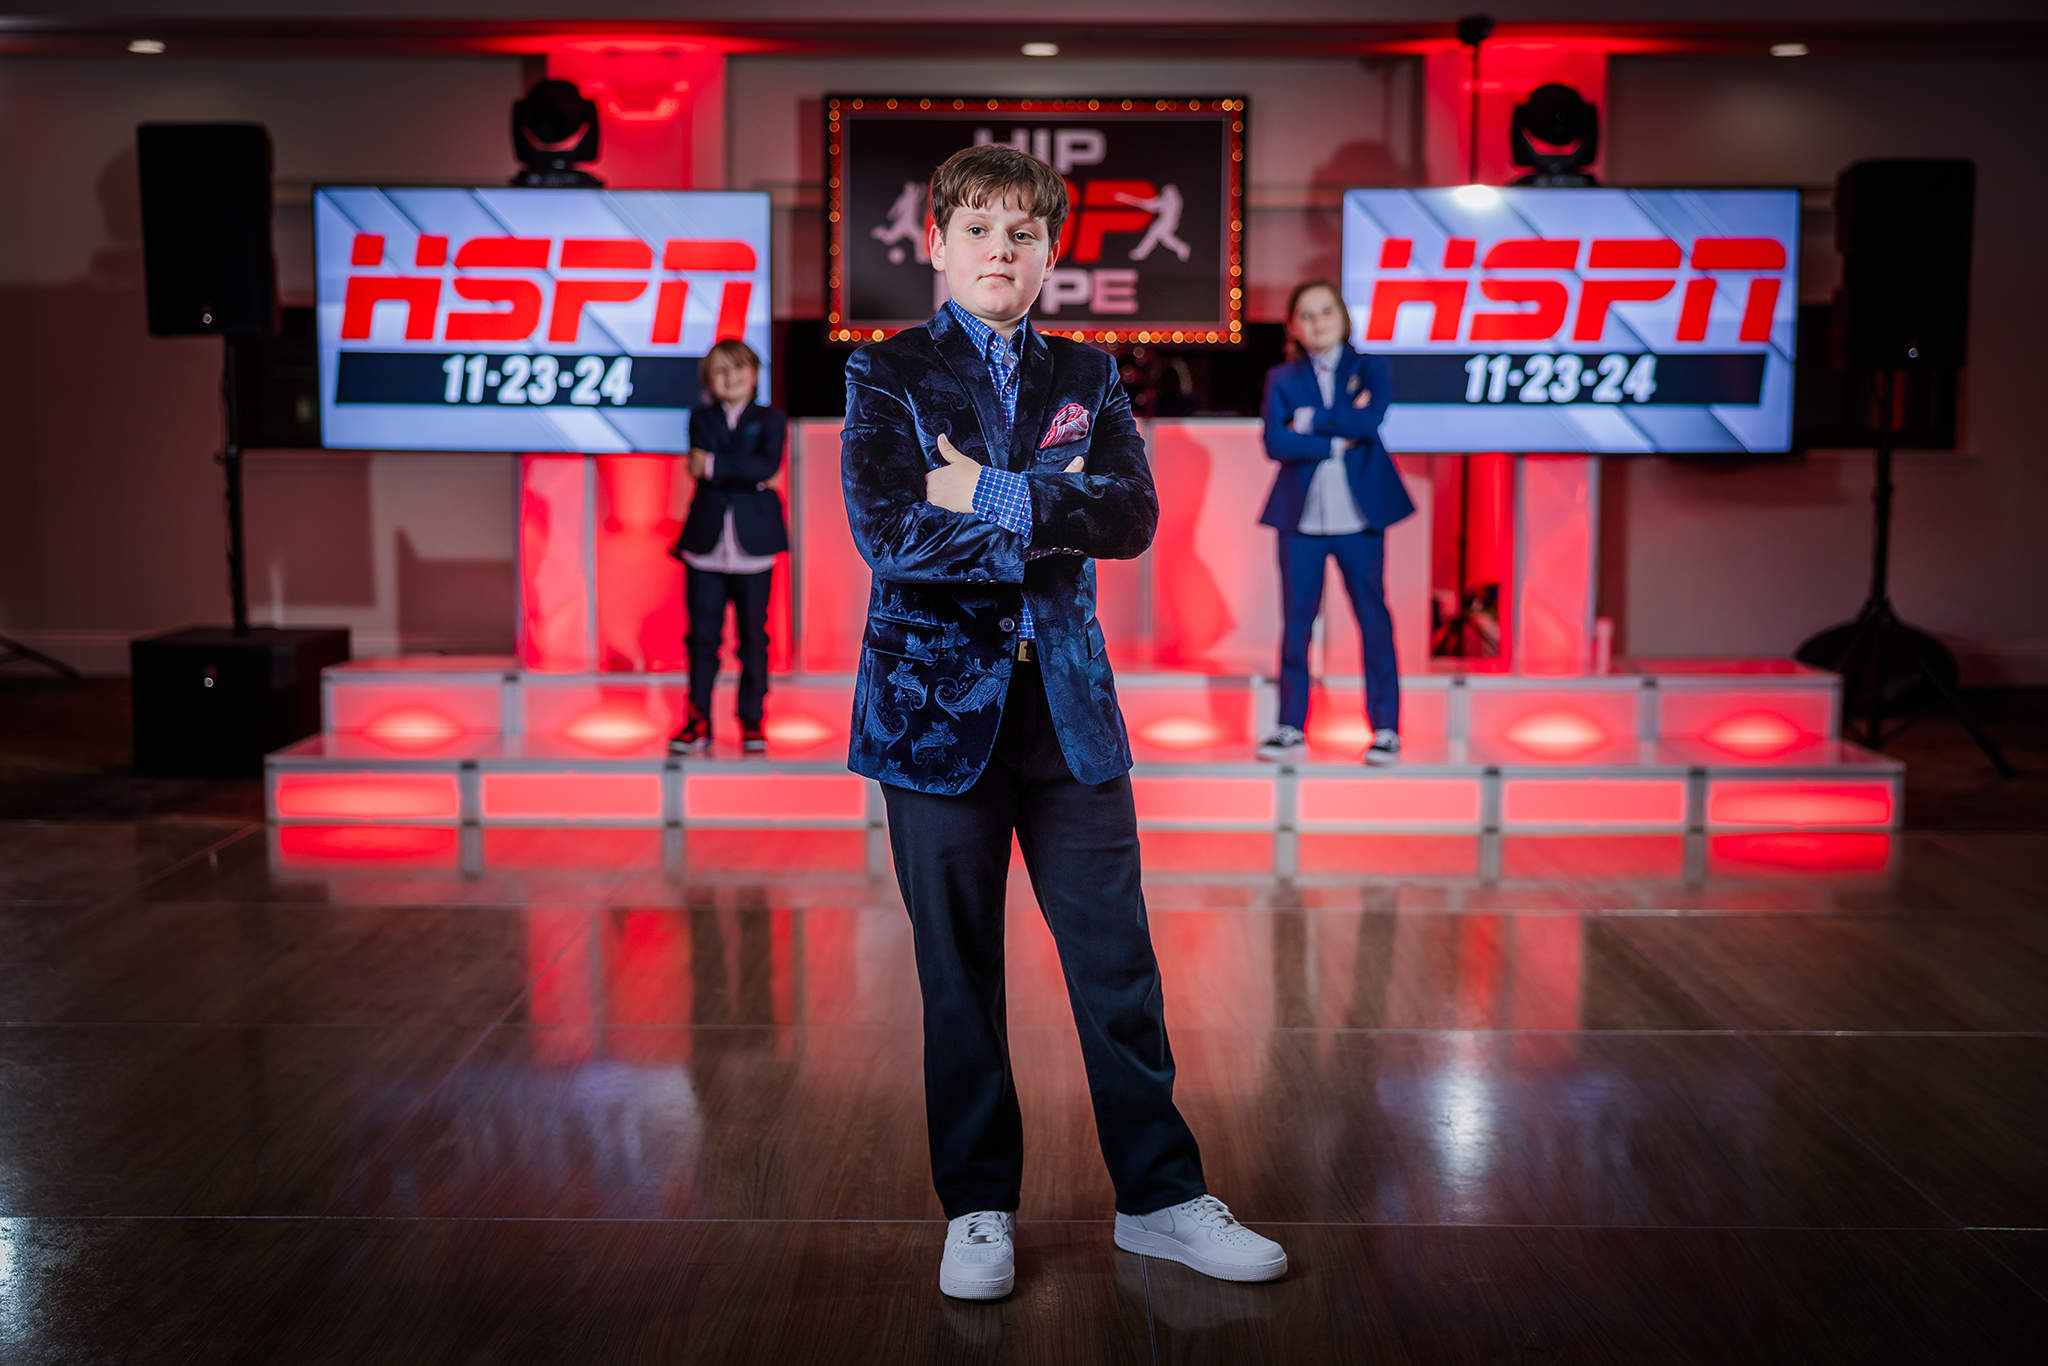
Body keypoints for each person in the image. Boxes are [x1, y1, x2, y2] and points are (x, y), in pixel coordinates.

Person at [841, 142, 1287, 1301]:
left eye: (1024, 233)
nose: (1002, 249)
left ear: (1050, 253)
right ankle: (977, 1206)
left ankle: (1161, 1197)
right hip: (933, 720)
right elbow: (891, 535)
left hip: (1069, 715)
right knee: (959, 977)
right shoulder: (883, 374)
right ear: (935, 242)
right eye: (980, 229)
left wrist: (982, 489)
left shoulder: (1088, 371)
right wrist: (1052, 509)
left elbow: (1130, 515)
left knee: (1117, 969)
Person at [1255, 279, 1415, 765]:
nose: (1317, 322)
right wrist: (1332, 435)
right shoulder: (1281, 378)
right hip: (1300, 519)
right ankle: (1289, 726)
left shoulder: (1371, 367)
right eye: (1306, 314)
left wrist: (1307, 421)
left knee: (1373, 620)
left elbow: (1370, 424)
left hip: (1359, 517)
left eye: (1325, 312)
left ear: (1343, 317)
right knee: (1297, 624)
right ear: (1293, 326)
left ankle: (1386, 727)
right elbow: (1275, 444)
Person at [669, 339, 788, 756]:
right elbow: (755, 471)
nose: (730, 377)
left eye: (737, 368)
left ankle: (752, 721)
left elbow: (767, 466)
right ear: (708, 381)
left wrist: (716, 466)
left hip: (754, 547)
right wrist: (751, 475)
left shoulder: (772, 418)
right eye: (720, 371)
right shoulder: (700, 418)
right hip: (705, 546)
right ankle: (697, 719)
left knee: (753, 639)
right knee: (701, 640)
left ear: (755, 374)